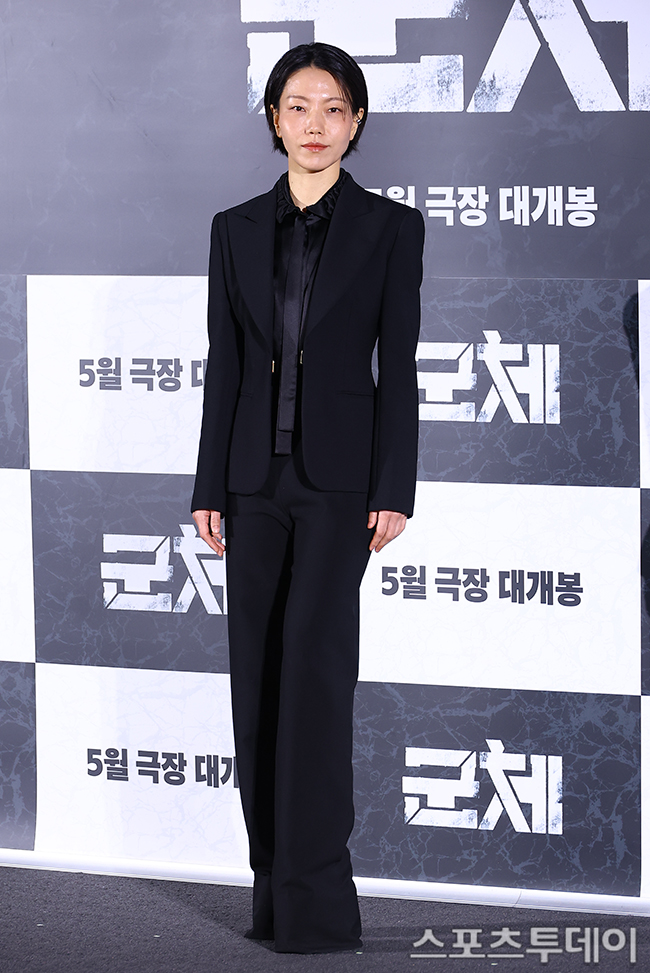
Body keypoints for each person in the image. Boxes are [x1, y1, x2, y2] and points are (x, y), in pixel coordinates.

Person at [191, 42, 424, 954]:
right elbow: (225, 366)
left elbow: (397, 367)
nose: (315, 124)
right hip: (252, 483)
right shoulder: (234, 228)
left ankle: (318, 905)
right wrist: (209, 484)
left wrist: (393, 486)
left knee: (316, 685)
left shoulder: (392, 229)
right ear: (275, 119)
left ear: (356, 122)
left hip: (339, 489)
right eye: (299, 107)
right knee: (257, 687)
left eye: (333, 108)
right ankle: (272, 893)